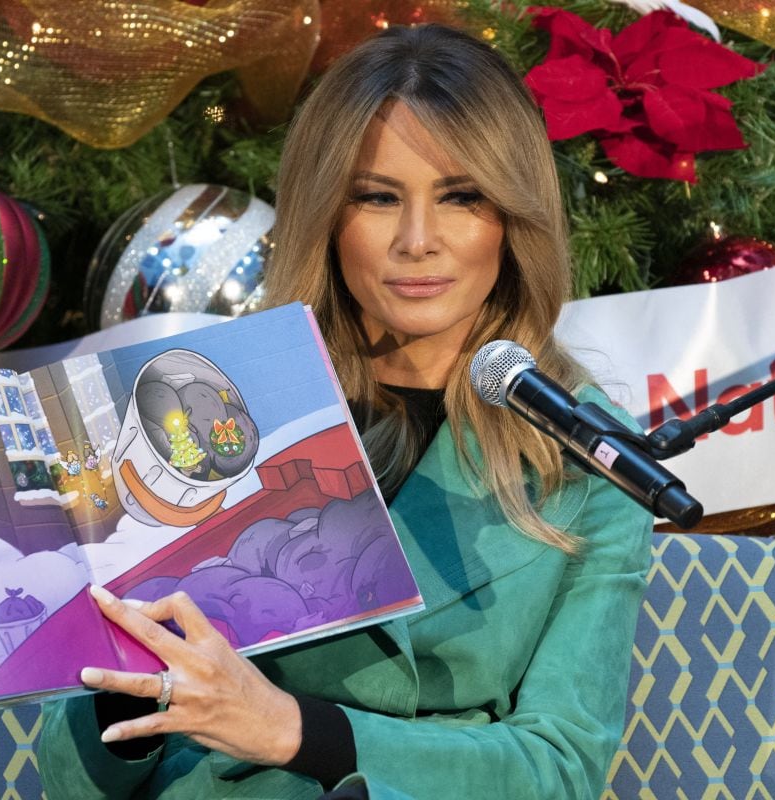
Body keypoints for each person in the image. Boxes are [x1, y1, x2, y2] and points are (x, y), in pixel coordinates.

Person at [37, 22, 652, 799]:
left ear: (513, 218)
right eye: (377, 197)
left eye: (461, 196)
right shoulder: (212, 409)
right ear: (327, 214)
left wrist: (291, 728)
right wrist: (130, 679)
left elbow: (560, 770)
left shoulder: (588, 451)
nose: (418, 241)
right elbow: (68, 780)